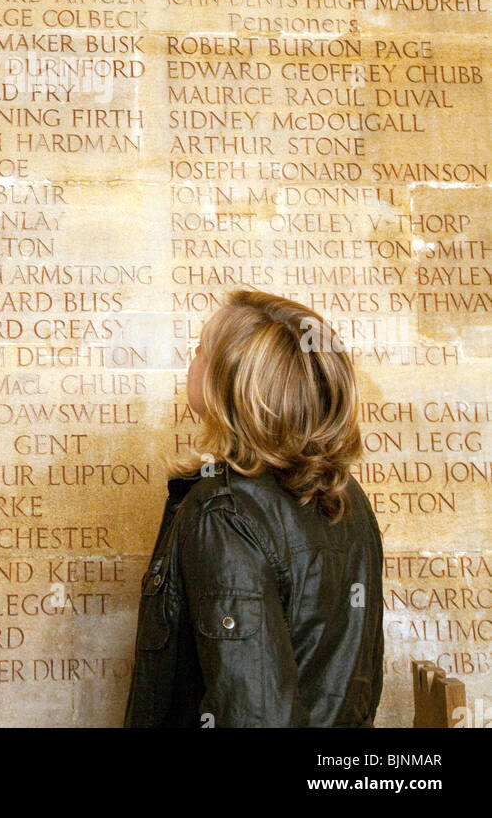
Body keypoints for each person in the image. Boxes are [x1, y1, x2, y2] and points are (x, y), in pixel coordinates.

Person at [123, 287, 384, 728]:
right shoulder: (347, 497)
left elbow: (255, 715)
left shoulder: (223, 512)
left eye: (202, 348)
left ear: (229, 380)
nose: (193, 358)